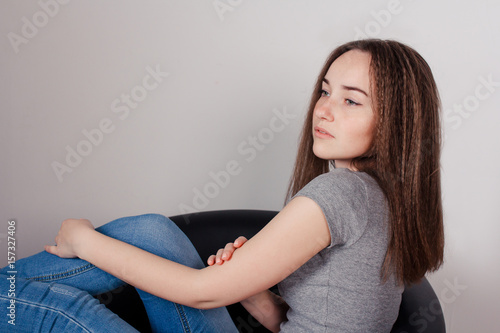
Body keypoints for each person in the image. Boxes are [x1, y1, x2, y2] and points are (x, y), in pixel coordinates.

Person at [0, 39, 444, 332]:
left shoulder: (341, 196)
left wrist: (83, 240)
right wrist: (252, 291)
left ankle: (7, 292)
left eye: (351, 100)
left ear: (396, 122)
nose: (324, 110)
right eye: (325, 92)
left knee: (56, 310)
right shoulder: (384, 199)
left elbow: (202, 293)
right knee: (151, 232)